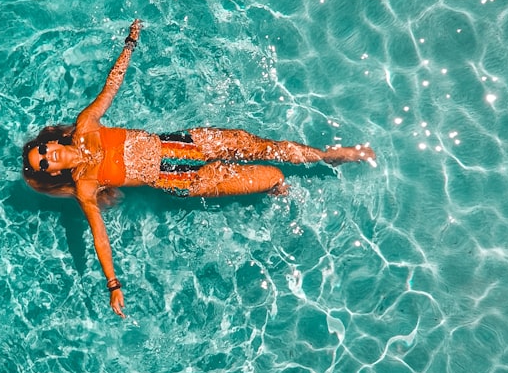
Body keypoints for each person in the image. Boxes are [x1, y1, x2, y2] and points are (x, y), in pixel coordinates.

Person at [23, 20, 375, 318]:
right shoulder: (85, 186)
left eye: (43, 150)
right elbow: (99, 236)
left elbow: (110, 88)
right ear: (51, 173)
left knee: (262, 147)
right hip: (182, 179)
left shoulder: (86, 125)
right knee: (274, 176)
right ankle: (276, 187)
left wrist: (129, 44)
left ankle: (326, 156)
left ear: (51, 142)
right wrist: (113, 283)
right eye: (43, 164)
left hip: (185, 142)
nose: (47, 157)